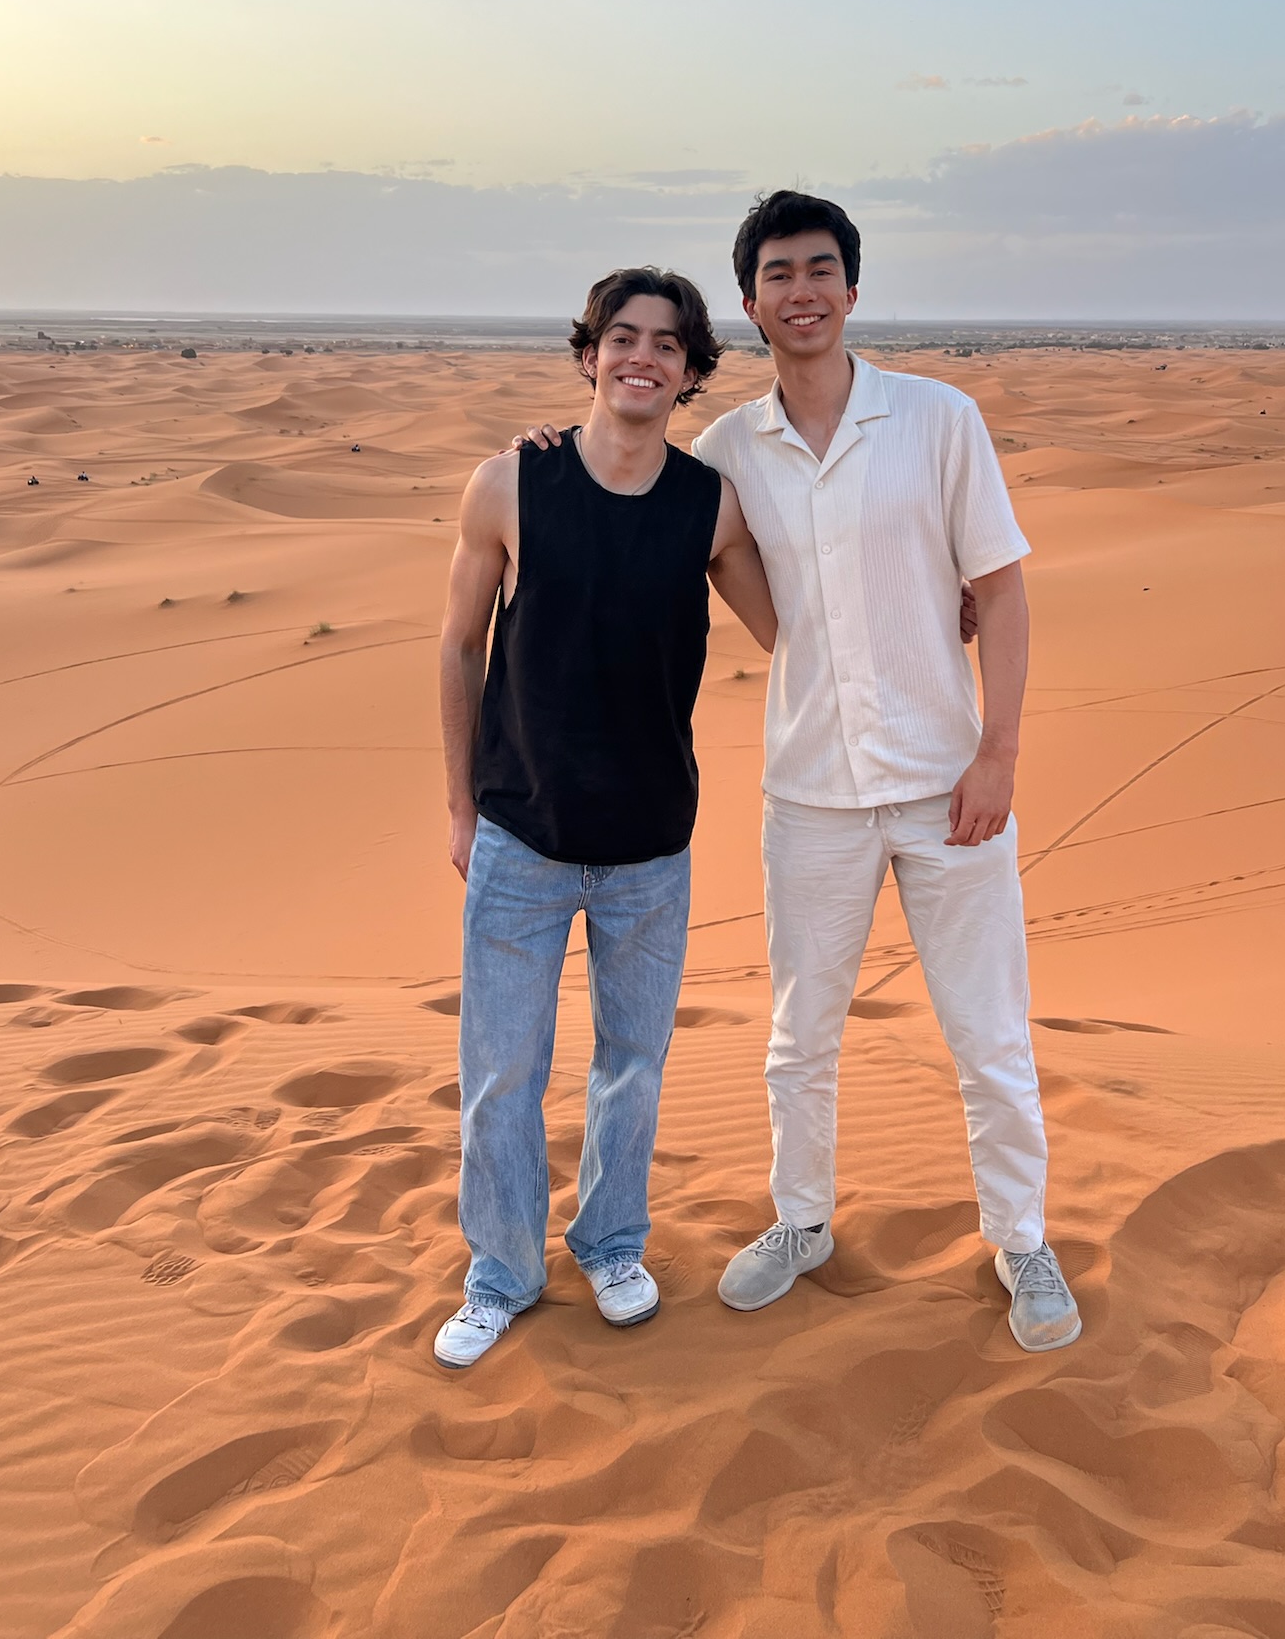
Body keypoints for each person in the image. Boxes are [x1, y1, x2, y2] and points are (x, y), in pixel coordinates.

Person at [522, 191, 1079, 1353]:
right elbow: (645, 498)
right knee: (798, 1032)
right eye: (779, 273)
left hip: (948, 783)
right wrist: (543, 451)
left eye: (822, 269)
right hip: (811, 791)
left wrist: (999, 750)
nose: (803, 291)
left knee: (988, 1031)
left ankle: (1022, 1237)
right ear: (751, 300)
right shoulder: (725, 453)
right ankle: (801, 1219)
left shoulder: (937, 419)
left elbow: (1007, 587)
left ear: (854, 290)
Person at [433, 267, 776, 1369]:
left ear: (689, 371)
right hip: (520, 834)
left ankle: (613, 1243)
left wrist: (946, 595)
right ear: (588, 356)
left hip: (648, 847)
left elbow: (797, 628)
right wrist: (457, 803)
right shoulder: (509, 484)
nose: (641, 357)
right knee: (501, 1072)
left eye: (666, 345)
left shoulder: (707, 503)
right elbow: (458, 644)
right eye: (620, 337)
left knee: (633, 1063)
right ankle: (501, 1271)